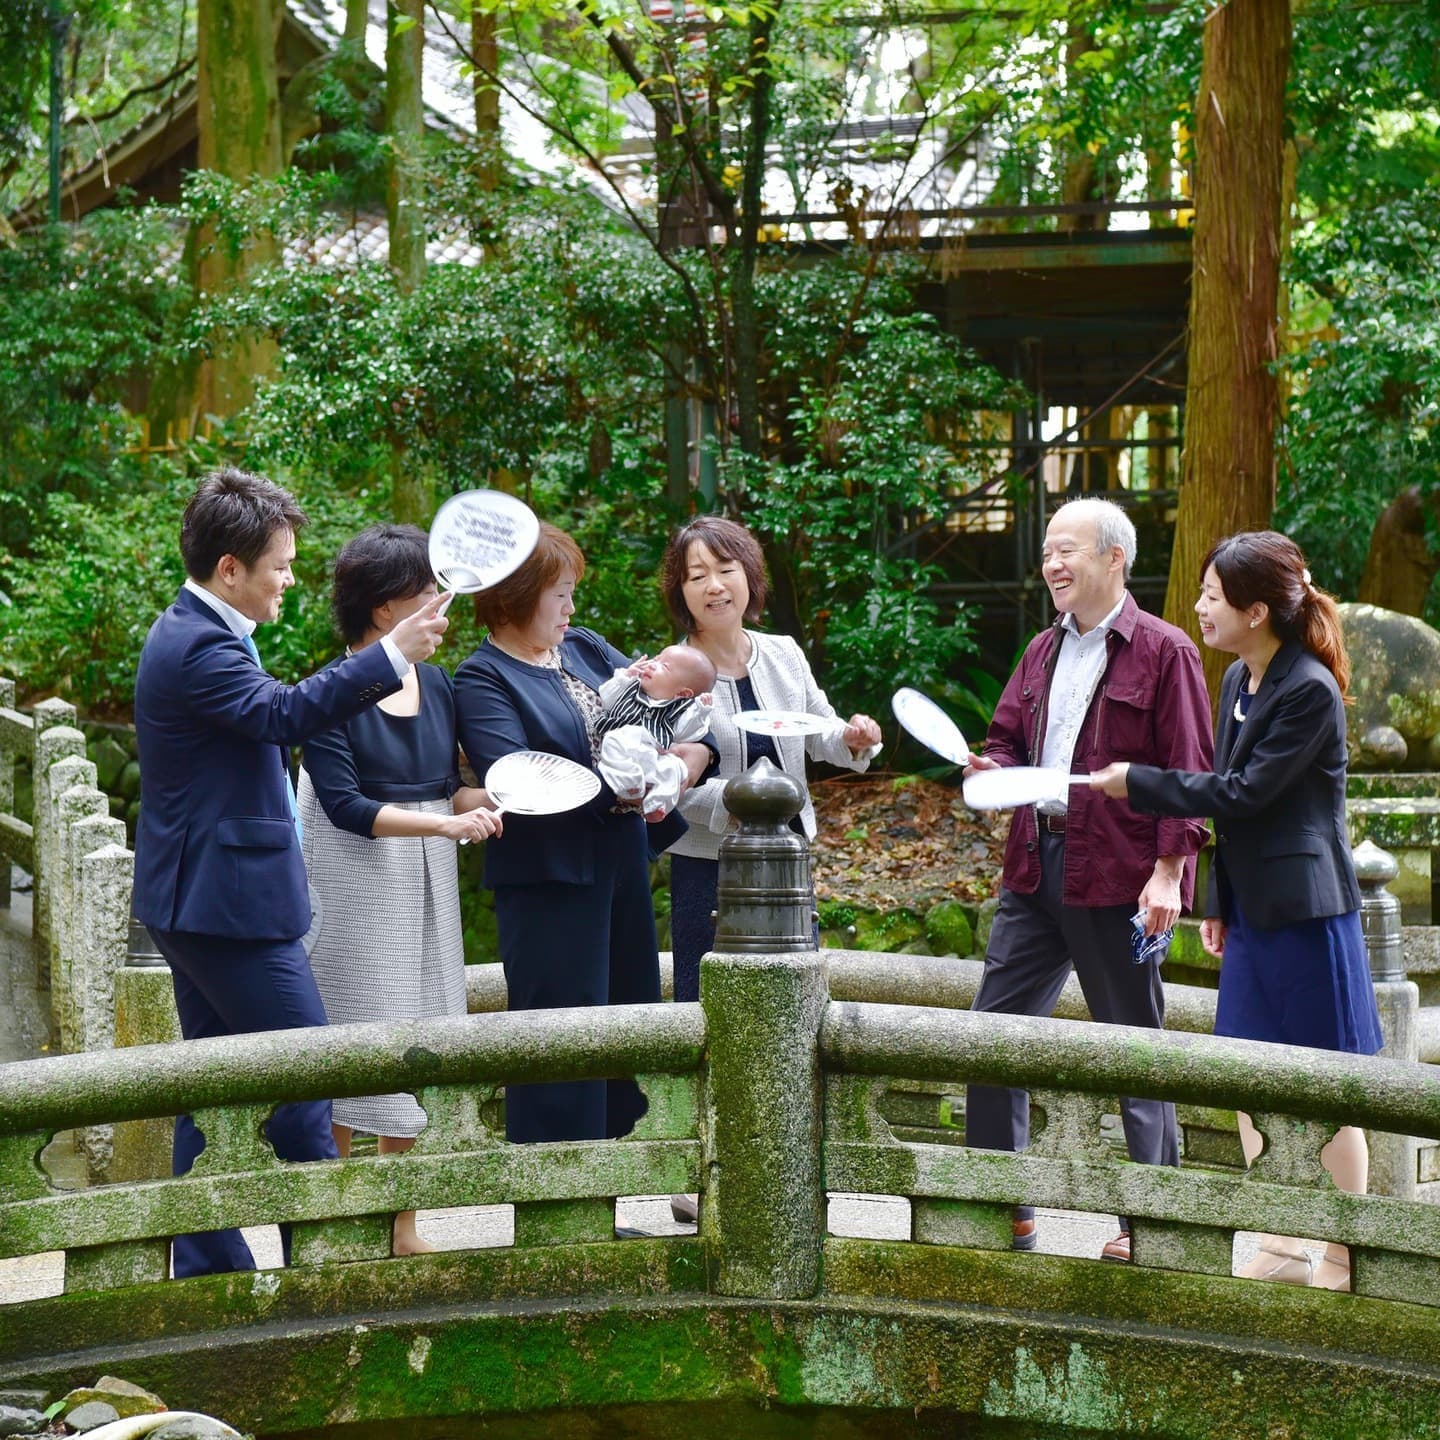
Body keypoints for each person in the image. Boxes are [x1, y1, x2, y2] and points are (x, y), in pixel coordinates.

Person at [132, 468, 450, 1278]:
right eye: (279, 565)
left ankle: (208, 1268)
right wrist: (391, 656)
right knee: (312, 1076)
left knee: (217, 1088)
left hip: (201, 898)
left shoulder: (198, 631)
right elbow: (281, 714)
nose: (288, 579)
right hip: (225, 907)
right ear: (229, 568)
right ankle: (329, 1265)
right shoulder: (197, 645)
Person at [1090, 530, 1381, 1291]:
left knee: (1326, 1085)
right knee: (1250, 1078)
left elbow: (1245, 794)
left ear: (1256, 611)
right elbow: (1233, 808)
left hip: (1308, 915)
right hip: (1254, 912)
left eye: (1212, 596)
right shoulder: (1237, 683)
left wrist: (1140, 781)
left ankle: (1344, 1254)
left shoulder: (1308, 689)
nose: (1199, 608)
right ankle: (1283, 1246)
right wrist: (1219, 900)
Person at [963, 497, 1214, 1264]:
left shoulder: (1166, 651)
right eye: (1047, 551)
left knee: (1135, 1049)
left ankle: (1151, 1226)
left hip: (1122, 874)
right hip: (1034, 865)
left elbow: (1189, 774)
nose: (1052, 564)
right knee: (989, 1038)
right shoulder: (1042, 650)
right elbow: (1008, 739)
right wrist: (990, 769)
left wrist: (1169, 874)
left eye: (1067, 549)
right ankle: (1000, 1211)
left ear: (1114, 557)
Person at [452, 524, 713, 1152]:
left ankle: (626, 1180)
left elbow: (668, 710)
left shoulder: (584, 646)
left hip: (620, 862)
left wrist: (683, 763)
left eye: (572, 593)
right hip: (551, 876)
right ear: (515, 597)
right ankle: (558, 1196)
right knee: (559, 1036)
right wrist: (621, 785)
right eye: (560, 595)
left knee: (629, 1023)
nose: (571, 608)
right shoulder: (482, 679)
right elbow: (518, 777)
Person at [297, 525, 503, 1257]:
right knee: (350, 1034)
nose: (441, 609)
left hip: (426, 876)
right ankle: (329, 1217)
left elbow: (447, 787)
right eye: (426, 595)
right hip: (354, 878)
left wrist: (497, 798)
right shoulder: (330, 690)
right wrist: (445, 826)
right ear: (384, 608)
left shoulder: (438, 684)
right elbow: (346, 808)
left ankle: (400, 1222)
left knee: (420, 1031)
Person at [596, 645, 716, 818]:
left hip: (655, 753)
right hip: (625, 744)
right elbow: (606, 699)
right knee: (612, 741)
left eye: (664, 666)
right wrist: (624, 677)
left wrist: (700, 713)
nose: (652, 664)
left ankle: (658, 803)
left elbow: (686, 734)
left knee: (675, 767)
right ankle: (630, 784)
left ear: (683, 693)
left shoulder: (679, 708)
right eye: (657, 658)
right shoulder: (631, 686)